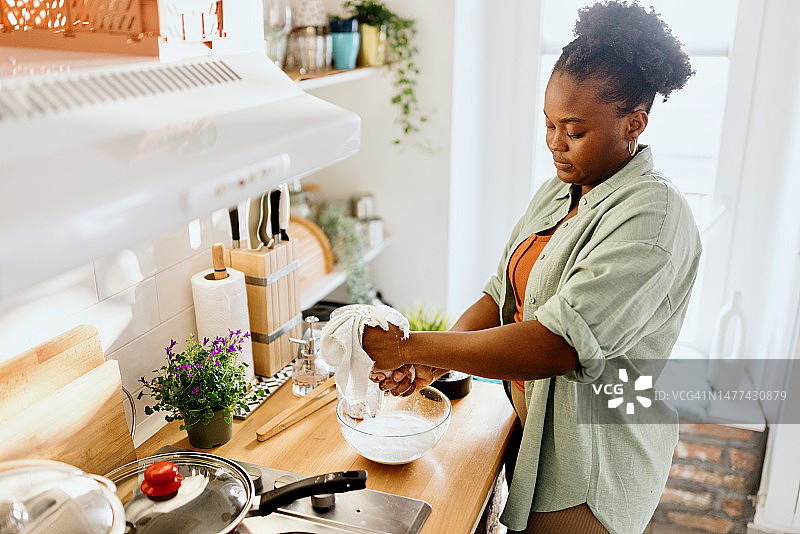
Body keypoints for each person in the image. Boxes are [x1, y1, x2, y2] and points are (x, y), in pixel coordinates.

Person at [363, 2, 700, 533]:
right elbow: (500, 294)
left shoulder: (652, 215)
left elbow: (557, 344)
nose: (555, 143)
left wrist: (412, 347)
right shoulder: (559, 191)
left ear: (634, 123)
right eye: (548, 124)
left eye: (574, 130)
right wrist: (432, 363)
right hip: (534, 432)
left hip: (592, 463)